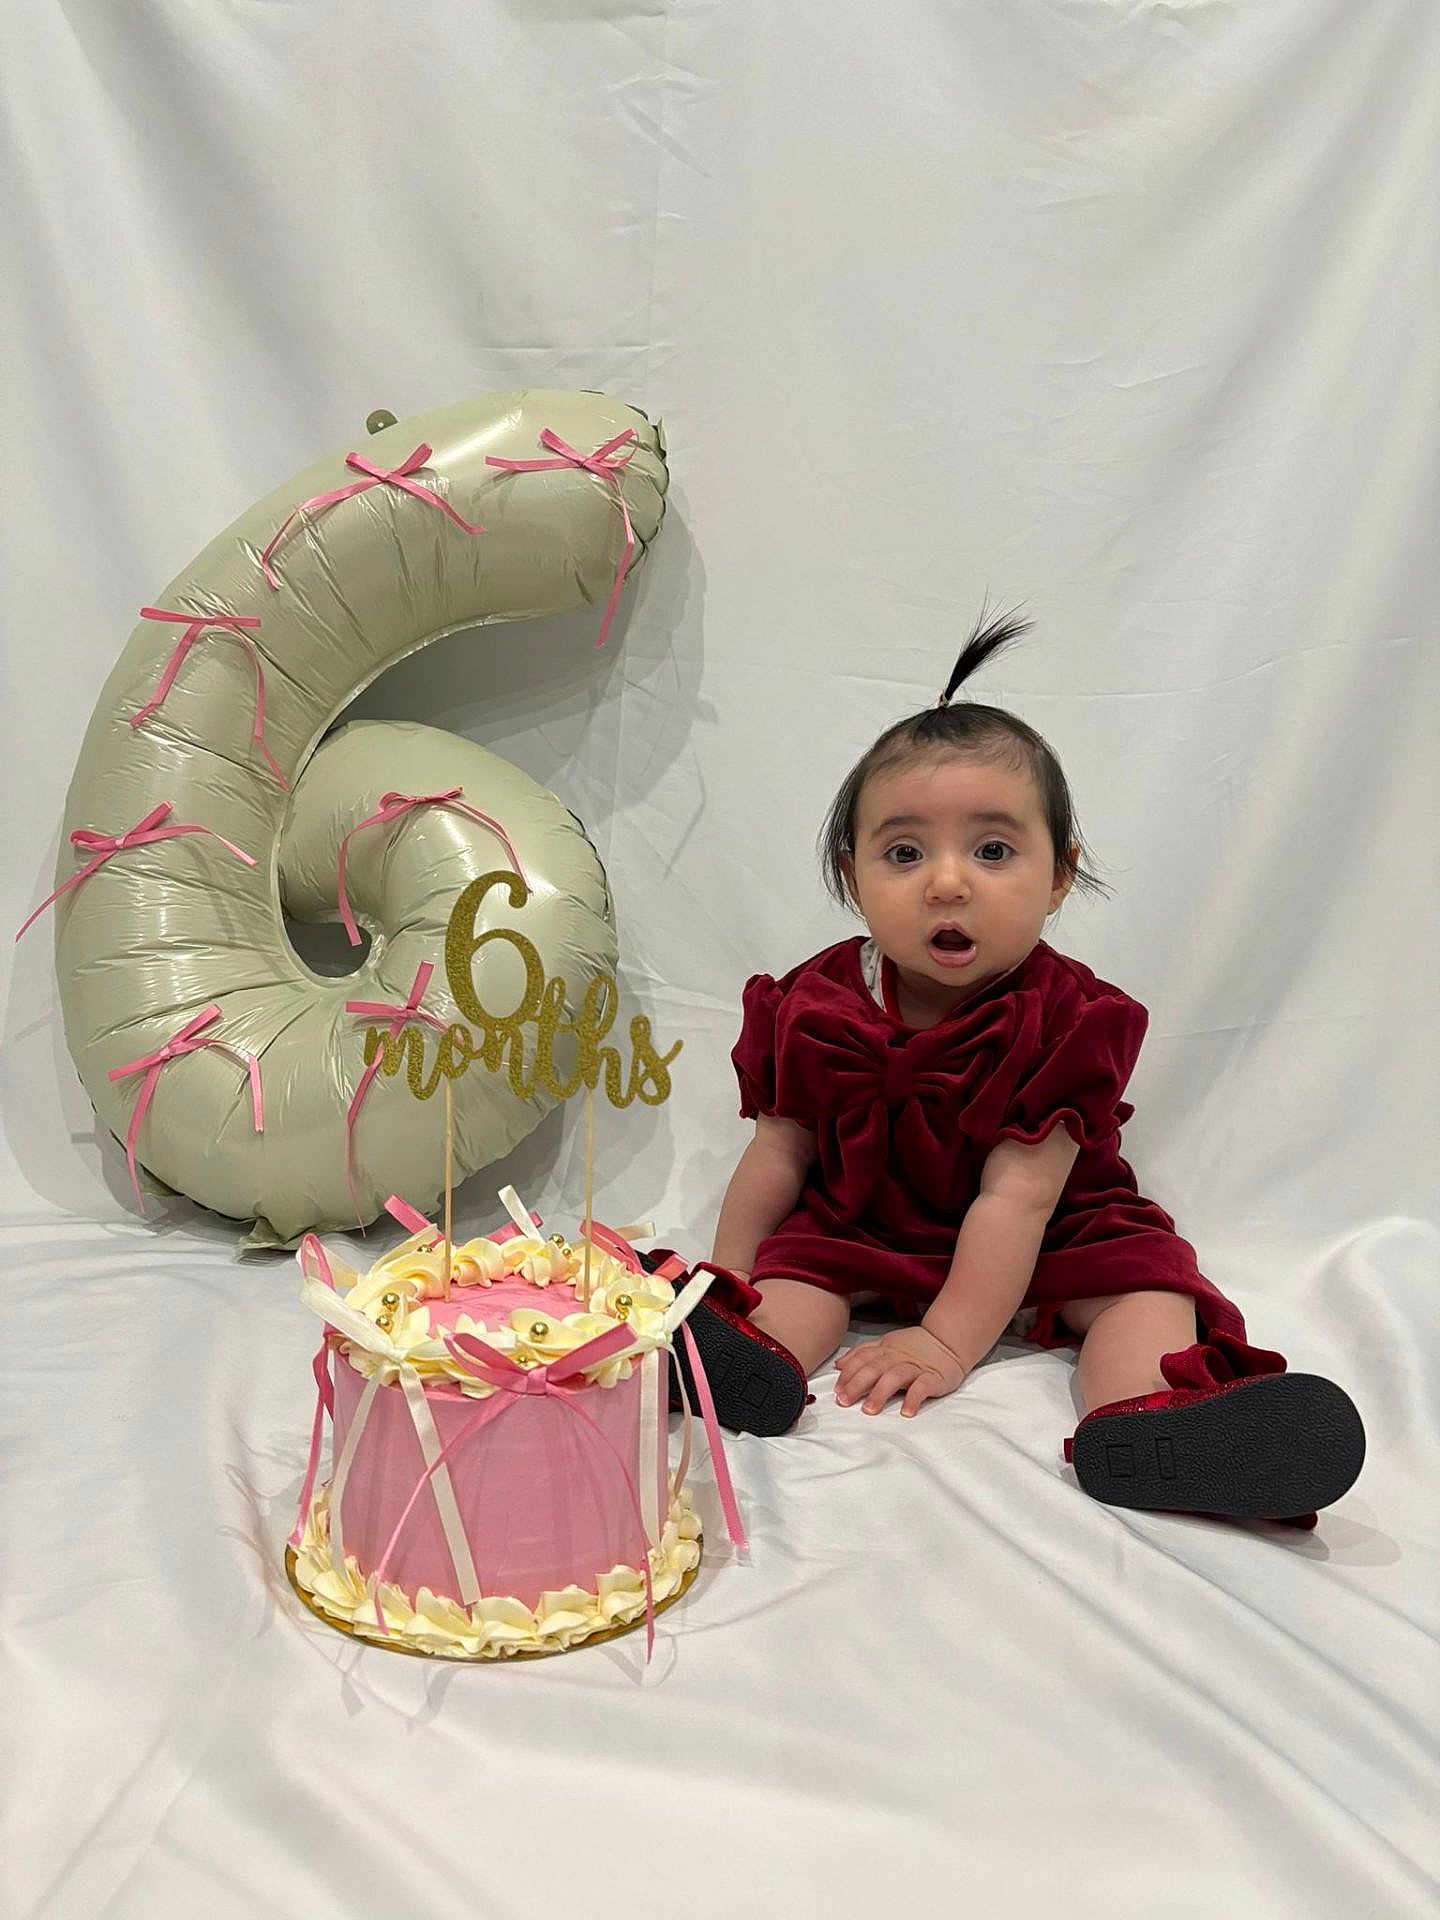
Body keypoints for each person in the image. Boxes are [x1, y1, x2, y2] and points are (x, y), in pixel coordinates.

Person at [666, 612, 1364, 1527]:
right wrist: (724, 1283)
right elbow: (779, 1155)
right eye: (904, 853)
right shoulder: (814, 1000)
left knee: (1143, 1293)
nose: (947, 883)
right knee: (795, 1284)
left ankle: (1154, 1426)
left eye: (993, 851)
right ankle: (725, 1358)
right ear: (852, 873)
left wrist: (947, 1344)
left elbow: (1018, 1201)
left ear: (1059, 875)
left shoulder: (1068, 1017)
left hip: (1056, 1227)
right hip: (864, 1217)